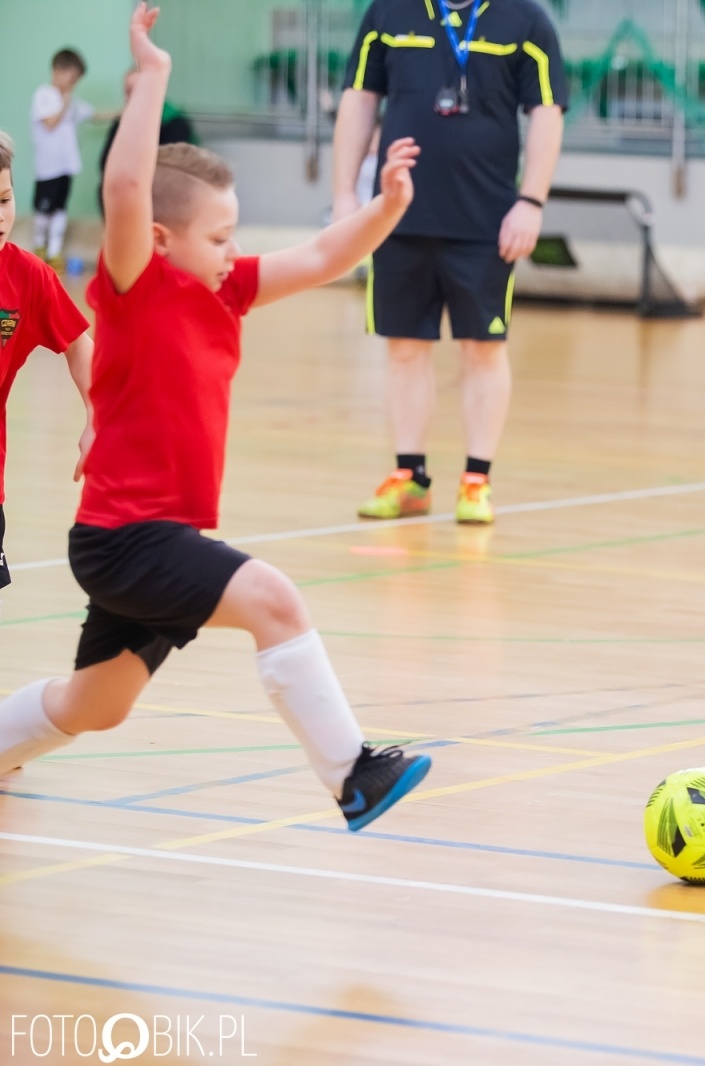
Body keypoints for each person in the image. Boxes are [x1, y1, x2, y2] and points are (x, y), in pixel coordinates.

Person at [0, 5, 432, 832]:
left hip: (157, 538)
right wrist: (152, 78)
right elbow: (126, 185)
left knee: (98, 705)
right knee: (275, 600)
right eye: (220, 236)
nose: (235, 252)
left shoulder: (226, 290)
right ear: (159, 240)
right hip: (126, 539)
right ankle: (353, 775)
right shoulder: (134, 287)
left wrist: (385, 209)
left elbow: (319, 257)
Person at [332, 0, 569, 525]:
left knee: (483, 348)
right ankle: (409, 477)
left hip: (486, 219)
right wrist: (346, 196)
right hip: (396, 213)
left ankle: (476, 480)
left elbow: (546, 113)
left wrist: (531, 201)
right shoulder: (387, 13)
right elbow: (359, 99)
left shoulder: (525, 19)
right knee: (404, 348)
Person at [0, 129, 95, 591]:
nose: (0, 217)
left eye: (4, 199)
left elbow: (80, 343)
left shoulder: (28, 278)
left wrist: (98, 417)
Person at [98, 66, 197, 216]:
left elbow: (175, 168)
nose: (131, 96)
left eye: (137, 89)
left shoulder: (174, 122)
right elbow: (105, 163)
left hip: (164, 190)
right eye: (128, 91)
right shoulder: (121, 123)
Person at [30, 48, 96, 270]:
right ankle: (39, 247)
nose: (74, 84)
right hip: (47, 168)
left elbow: (94, 114)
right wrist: (66, 102)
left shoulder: (71, 100)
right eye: (73, 77)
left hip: (66, 166)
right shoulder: (44, 95)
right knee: (44, 210)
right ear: (59, 70)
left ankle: (54, 252)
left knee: (60, 209)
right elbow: (50, 123)